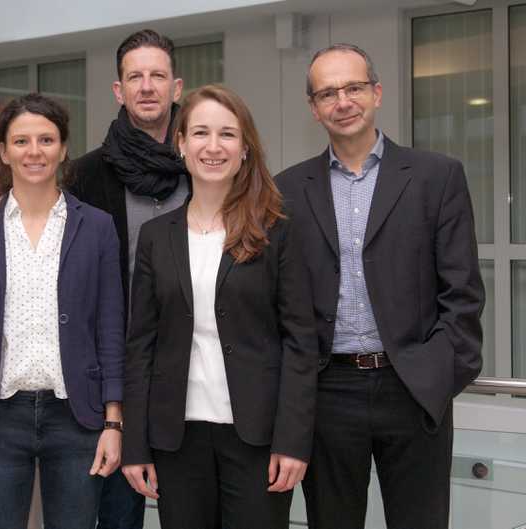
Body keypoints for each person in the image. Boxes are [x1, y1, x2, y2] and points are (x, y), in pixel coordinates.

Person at [275, 43, 484, 529]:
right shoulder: (286, 190)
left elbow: (463, 293)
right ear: (313, 107)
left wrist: (439, 375)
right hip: (328, 391)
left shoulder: (437, 176)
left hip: (411, 387)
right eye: (328, 93)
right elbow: (282, 302)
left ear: (377, 93)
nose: (342, 101)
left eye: (353, 88)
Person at [121, 84, 319, 529]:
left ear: (245, 148)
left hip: (257, 438)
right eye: (201, 133)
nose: (213, 147)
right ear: (181, 144)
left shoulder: (277, 230)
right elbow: (141, 347)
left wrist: (292, 440)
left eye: (227, 135)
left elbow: (301, 343)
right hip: (177, 437)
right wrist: (136, 444)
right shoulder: (157, 237)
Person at [0, 93, 125, 529]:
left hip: (77, 418)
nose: (34, 152)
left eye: (46, 140)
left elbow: (110, 328)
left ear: (64, 148)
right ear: (3, 151)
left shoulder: (97, 227)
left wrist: (113, 422)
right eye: (21, 141)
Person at [69, 29, 189, 528]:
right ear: (118, 91)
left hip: (198, 372)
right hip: (116, 374)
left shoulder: (204, 163)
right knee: (118, 516)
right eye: (134, 77)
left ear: (176, 88)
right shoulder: (87, 175)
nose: (146, 86)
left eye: (157, 76)